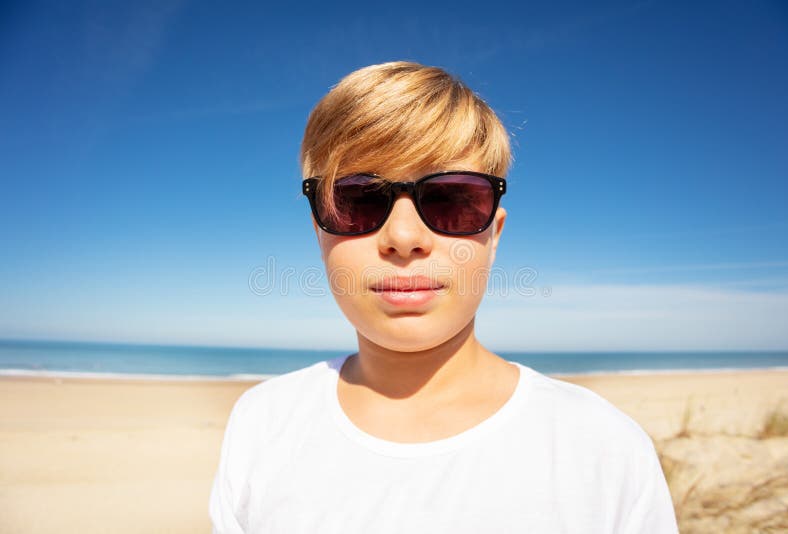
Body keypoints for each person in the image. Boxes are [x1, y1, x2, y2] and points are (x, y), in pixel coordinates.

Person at [209, 61, 679, 533]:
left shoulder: (602, 448)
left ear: (493, 236)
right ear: (319, 232)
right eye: (358, 201)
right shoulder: (263, 423)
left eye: (452, 200)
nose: (404, 235)